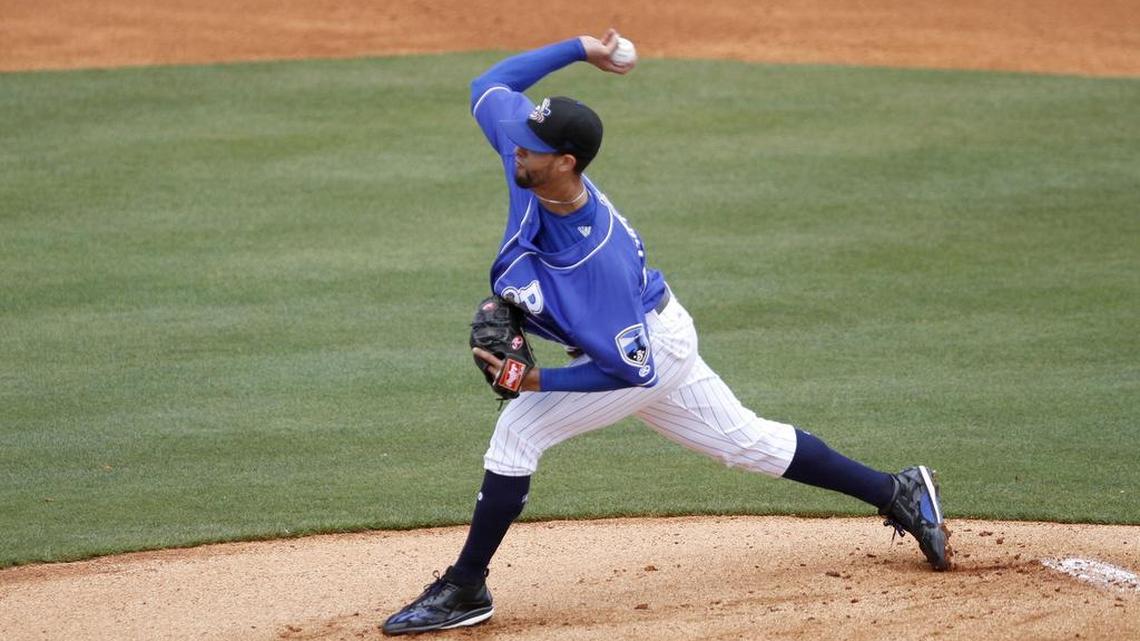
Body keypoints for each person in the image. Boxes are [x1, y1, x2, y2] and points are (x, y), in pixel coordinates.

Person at [381, 29, 950, 636]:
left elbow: (633, 370)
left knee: (517, 434)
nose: (512, 151)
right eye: (516, 143)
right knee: (745, 442)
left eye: (527, 148)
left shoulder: (596, 260)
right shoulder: (532, 164)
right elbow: (487, 86)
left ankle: (466, 586)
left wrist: (536, 377)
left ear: (565, 162)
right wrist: (579, 47)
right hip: (645, 331)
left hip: (645, 344)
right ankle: (899, 490)